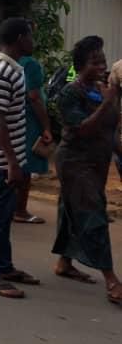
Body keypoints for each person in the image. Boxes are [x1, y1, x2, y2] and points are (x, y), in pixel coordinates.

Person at [51, 36, 122, 306]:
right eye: (95, 62)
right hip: (75, 162)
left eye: (103, 60)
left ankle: (64, 262)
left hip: (98, 162)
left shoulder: (101, 89)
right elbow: (82, 129)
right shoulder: (72, 92)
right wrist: (107, 103)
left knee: (70, 209)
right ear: (81, 65)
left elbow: (109, 130)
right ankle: (111, 279)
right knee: (93, 214)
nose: (102, 65)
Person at [0, 17, 39, 299]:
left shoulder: (10, 69)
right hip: (1, 162)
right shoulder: (2, 72)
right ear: (19, 38)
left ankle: (4, 267)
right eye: (30, 35)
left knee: (2, 218)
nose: (33, 40)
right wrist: (12, 162)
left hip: (6, 159)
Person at [13, 49, 53, 224]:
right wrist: (46, 127)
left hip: (12, 120)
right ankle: (20, 210)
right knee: (26, 166)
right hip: (29, 121)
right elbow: (34, 96)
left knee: (14, 163)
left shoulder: (5, 61)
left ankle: (10, 207)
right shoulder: (31, 64)